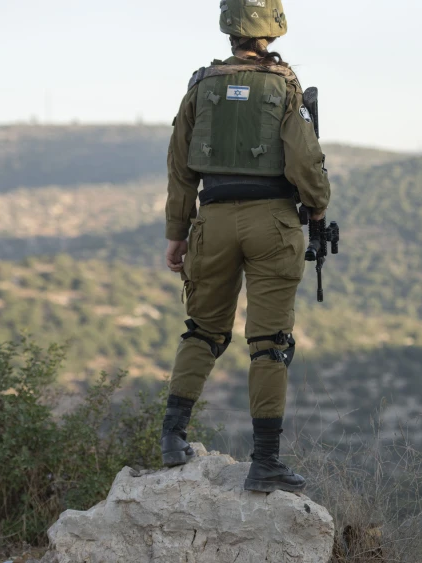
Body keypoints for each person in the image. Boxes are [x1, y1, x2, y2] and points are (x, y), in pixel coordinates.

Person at [159, 0, 330, 494]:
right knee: (269, 343)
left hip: (210, 221)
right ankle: (266, 463)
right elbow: (304, 157)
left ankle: (173, 438)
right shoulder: (283, 85)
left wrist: (177, 232)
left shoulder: (200, 86)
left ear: (229, 28)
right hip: (272, 223)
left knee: (203, 331)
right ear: (273, 29)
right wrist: (317, 206)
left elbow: (179, 167)